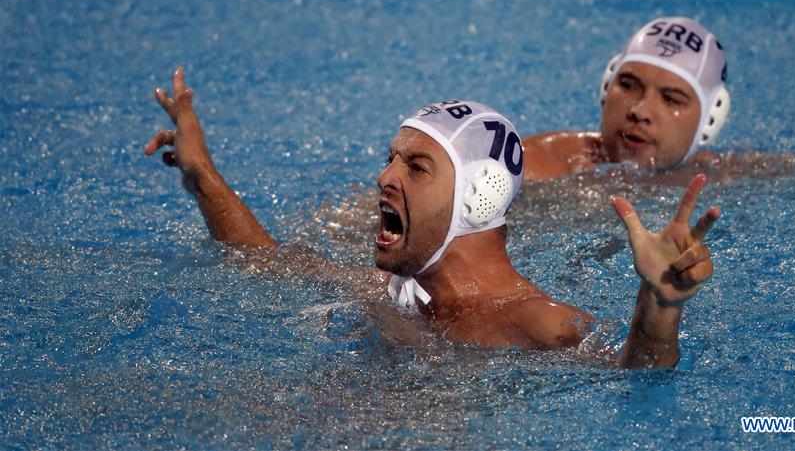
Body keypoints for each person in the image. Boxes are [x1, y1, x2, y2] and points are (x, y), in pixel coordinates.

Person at [145, 67, 721, 368]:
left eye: (416, 167)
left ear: (482, 197)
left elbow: (635, 378)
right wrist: (202, 175)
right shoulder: (397, 290)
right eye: (389, 158)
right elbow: (264, 261)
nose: (384, 178)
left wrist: (659, 308)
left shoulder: (540, 324)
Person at [523, 17, 731, 180]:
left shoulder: (719, 177)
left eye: (671, 99)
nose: (640, 112)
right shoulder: (532, 169)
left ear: (708, 120)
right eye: (628, 85)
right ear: (607, 86)